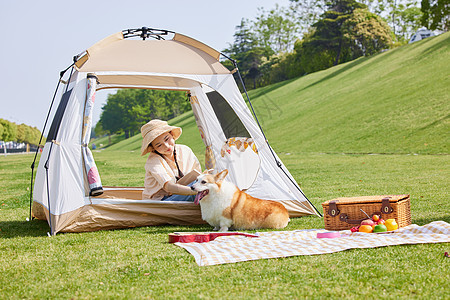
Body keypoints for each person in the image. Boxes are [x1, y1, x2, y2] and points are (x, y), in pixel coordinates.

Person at [140, 119, 201, 201]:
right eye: (159, 145)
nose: (166, 146)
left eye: (166, 139)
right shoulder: (153, 161)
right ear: (153, 148)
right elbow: (168, 187)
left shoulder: (185, 150)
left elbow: (199, 176)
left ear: (171, 134)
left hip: (183, 193)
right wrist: (196, 191)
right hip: (161, 201)